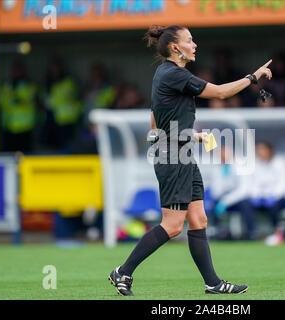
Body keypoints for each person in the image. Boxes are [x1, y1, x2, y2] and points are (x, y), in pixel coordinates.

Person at [108, 24, 272, 296]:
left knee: (198, 218)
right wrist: (253, 78)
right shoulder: (174, 74)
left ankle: (213, 284)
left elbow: (156, 116)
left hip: (179, 152)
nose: (195, 45)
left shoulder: (167, 74)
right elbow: (220, 93)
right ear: (175, 47)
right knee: (173, 226)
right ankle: (122, 272)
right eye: (190, 40)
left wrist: (190, 137)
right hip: (173, 156)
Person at [250, 142, 285, 246]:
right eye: (258, 150)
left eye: (262, 150)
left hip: (280, 198)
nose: (260, 152)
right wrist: (258, 196)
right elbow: (254, 183)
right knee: (247, 205)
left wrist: (274, 196)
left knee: (275, 206)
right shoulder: (256, 164)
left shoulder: (280, 163)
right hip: (263, 198)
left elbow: (284, 183)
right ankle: (252, 233)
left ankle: (277, 234)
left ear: (270, 151)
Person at [209, 146, 254, 240]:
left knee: (246, 206)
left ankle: (251, 233)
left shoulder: (240, 166)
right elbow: (216, 188)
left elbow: (243, 189)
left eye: (225, 154)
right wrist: (222, 199)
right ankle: (216, 232)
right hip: (223, 198)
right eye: (221, 154)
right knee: (214, 204)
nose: (223, 156)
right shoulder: (217, 168)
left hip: (238, 198)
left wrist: (226, 201)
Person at [0, 60, 39, 152]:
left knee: (26, 156)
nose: (15, 72)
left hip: (25, 128)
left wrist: (17, 98)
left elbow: (32, 101)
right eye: (14, 70)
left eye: (18, 70)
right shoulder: (6, 85)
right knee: (9, 157)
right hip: (8, 128)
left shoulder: (30, 85)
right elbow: (1, 102)